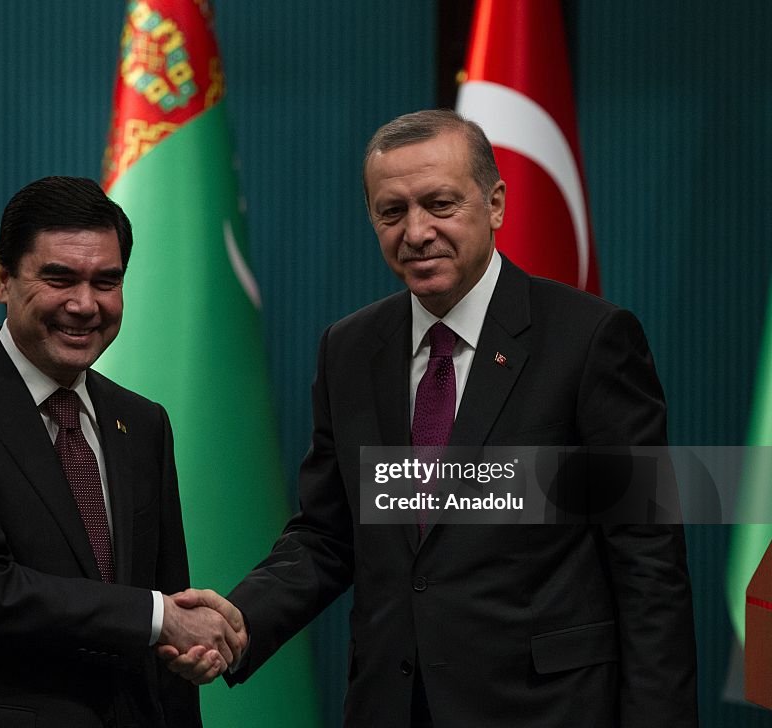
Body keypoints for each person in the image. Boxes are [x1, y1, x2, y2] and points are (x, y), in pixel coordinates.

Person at [164, 110, 698, 727]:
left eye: (440, 204)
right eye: (392, 212)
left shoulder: (590, 340)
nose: (416, 232)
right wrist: (239, 620)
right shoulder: (350, 348)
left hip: (546, 710)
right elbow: (329, 535)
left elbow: (648, 560)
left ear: (494, 204)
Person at [0, 176, 245, 728]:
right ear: (3, 278)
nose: (84, 305)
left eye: (106, 281)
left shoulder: (143, 423)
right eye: (59, 278)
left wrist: (184, 641)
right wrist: (156, 617)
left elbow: (170, 606)